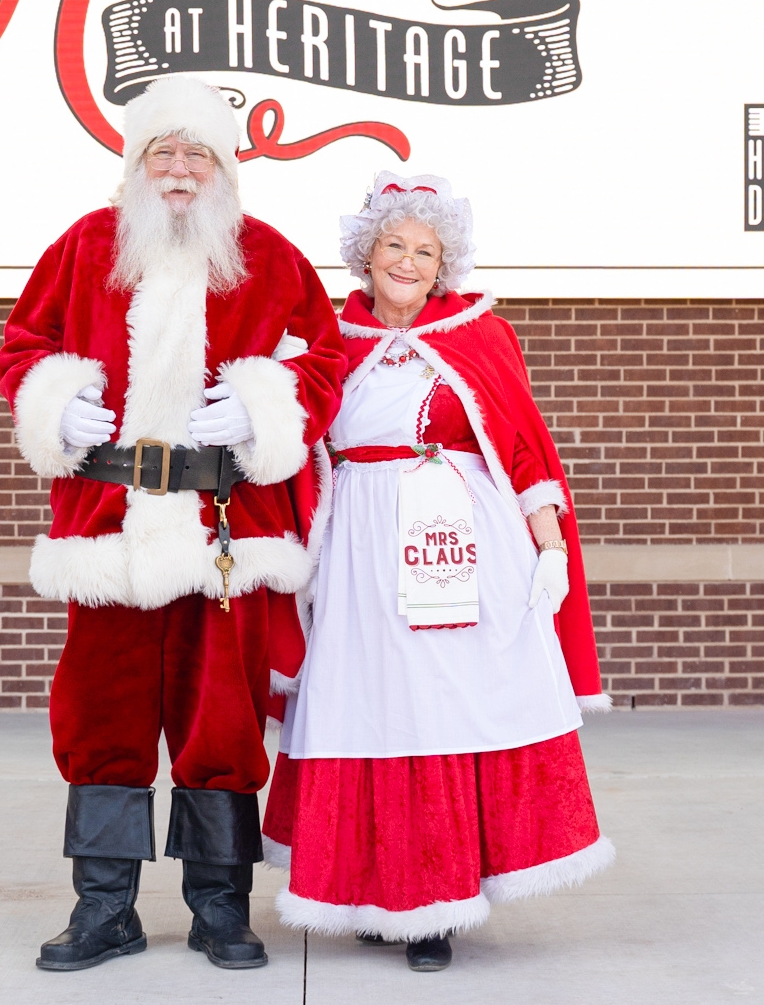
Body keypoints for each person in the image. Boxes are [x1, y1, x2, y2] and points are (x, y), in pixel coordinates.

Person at [0, 75, 344, 973]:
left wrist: (267, 403)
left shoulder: (270, 256)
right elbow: (24, 343)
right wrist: (54, 400)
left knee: (220, 723)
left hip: (223, 529)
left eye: (198, 153)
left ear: (224, 168)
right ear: (136, 164)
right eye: (163, 151)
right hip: (107, 525)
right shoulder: (83, 246)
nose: (180, 169)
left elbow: (323, 358)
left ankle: (219, 908)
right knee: (99, 717)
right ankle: (103, 907)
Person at [263, 172, 613, 972]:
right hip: (356, 548)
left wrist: (551, 547)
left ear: (443, 264)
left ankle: (434, 905)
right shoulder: (322, 340)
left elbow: (521, 444)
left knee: (446, 705)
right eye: (394, 244)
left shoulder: (480, 335)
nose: (408, 261)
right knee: (369, 705)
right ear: (365, 254)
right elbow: (294, 443)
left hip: (461, 540)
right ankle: (370, 888)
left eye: (425, 251)